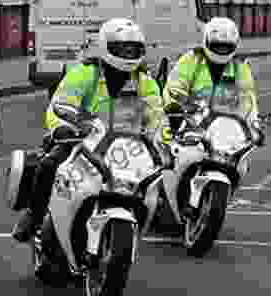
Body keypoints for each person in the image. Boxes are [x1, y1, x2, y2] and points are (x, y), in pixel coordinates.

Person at [12, 18, 166, 242]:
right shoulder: (86, 73)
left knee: (152, 178)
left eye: (133, 49)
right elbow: (59, 105)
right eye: (122, 48)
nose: (128, 54)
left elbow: (156, 117)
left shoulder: (145, 82)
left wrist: (161, 142)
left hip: (127, 146)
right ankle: (34, 216)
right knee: (48, 165)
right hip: (82, 142)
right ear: (106, 46)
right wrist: (63, 129)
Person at [162, 17, 264, 146]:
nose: (222, 50)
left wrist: (255, 127)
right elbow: (173, 91)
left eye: (226, 46)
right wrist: (176, 116)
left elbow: (248, 101)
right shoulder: (191, 60)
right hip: (192, 128)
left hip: (228, 131)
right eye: (217, 46)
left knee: (243, 161)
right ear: (206, 41)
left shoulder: (240, 67)